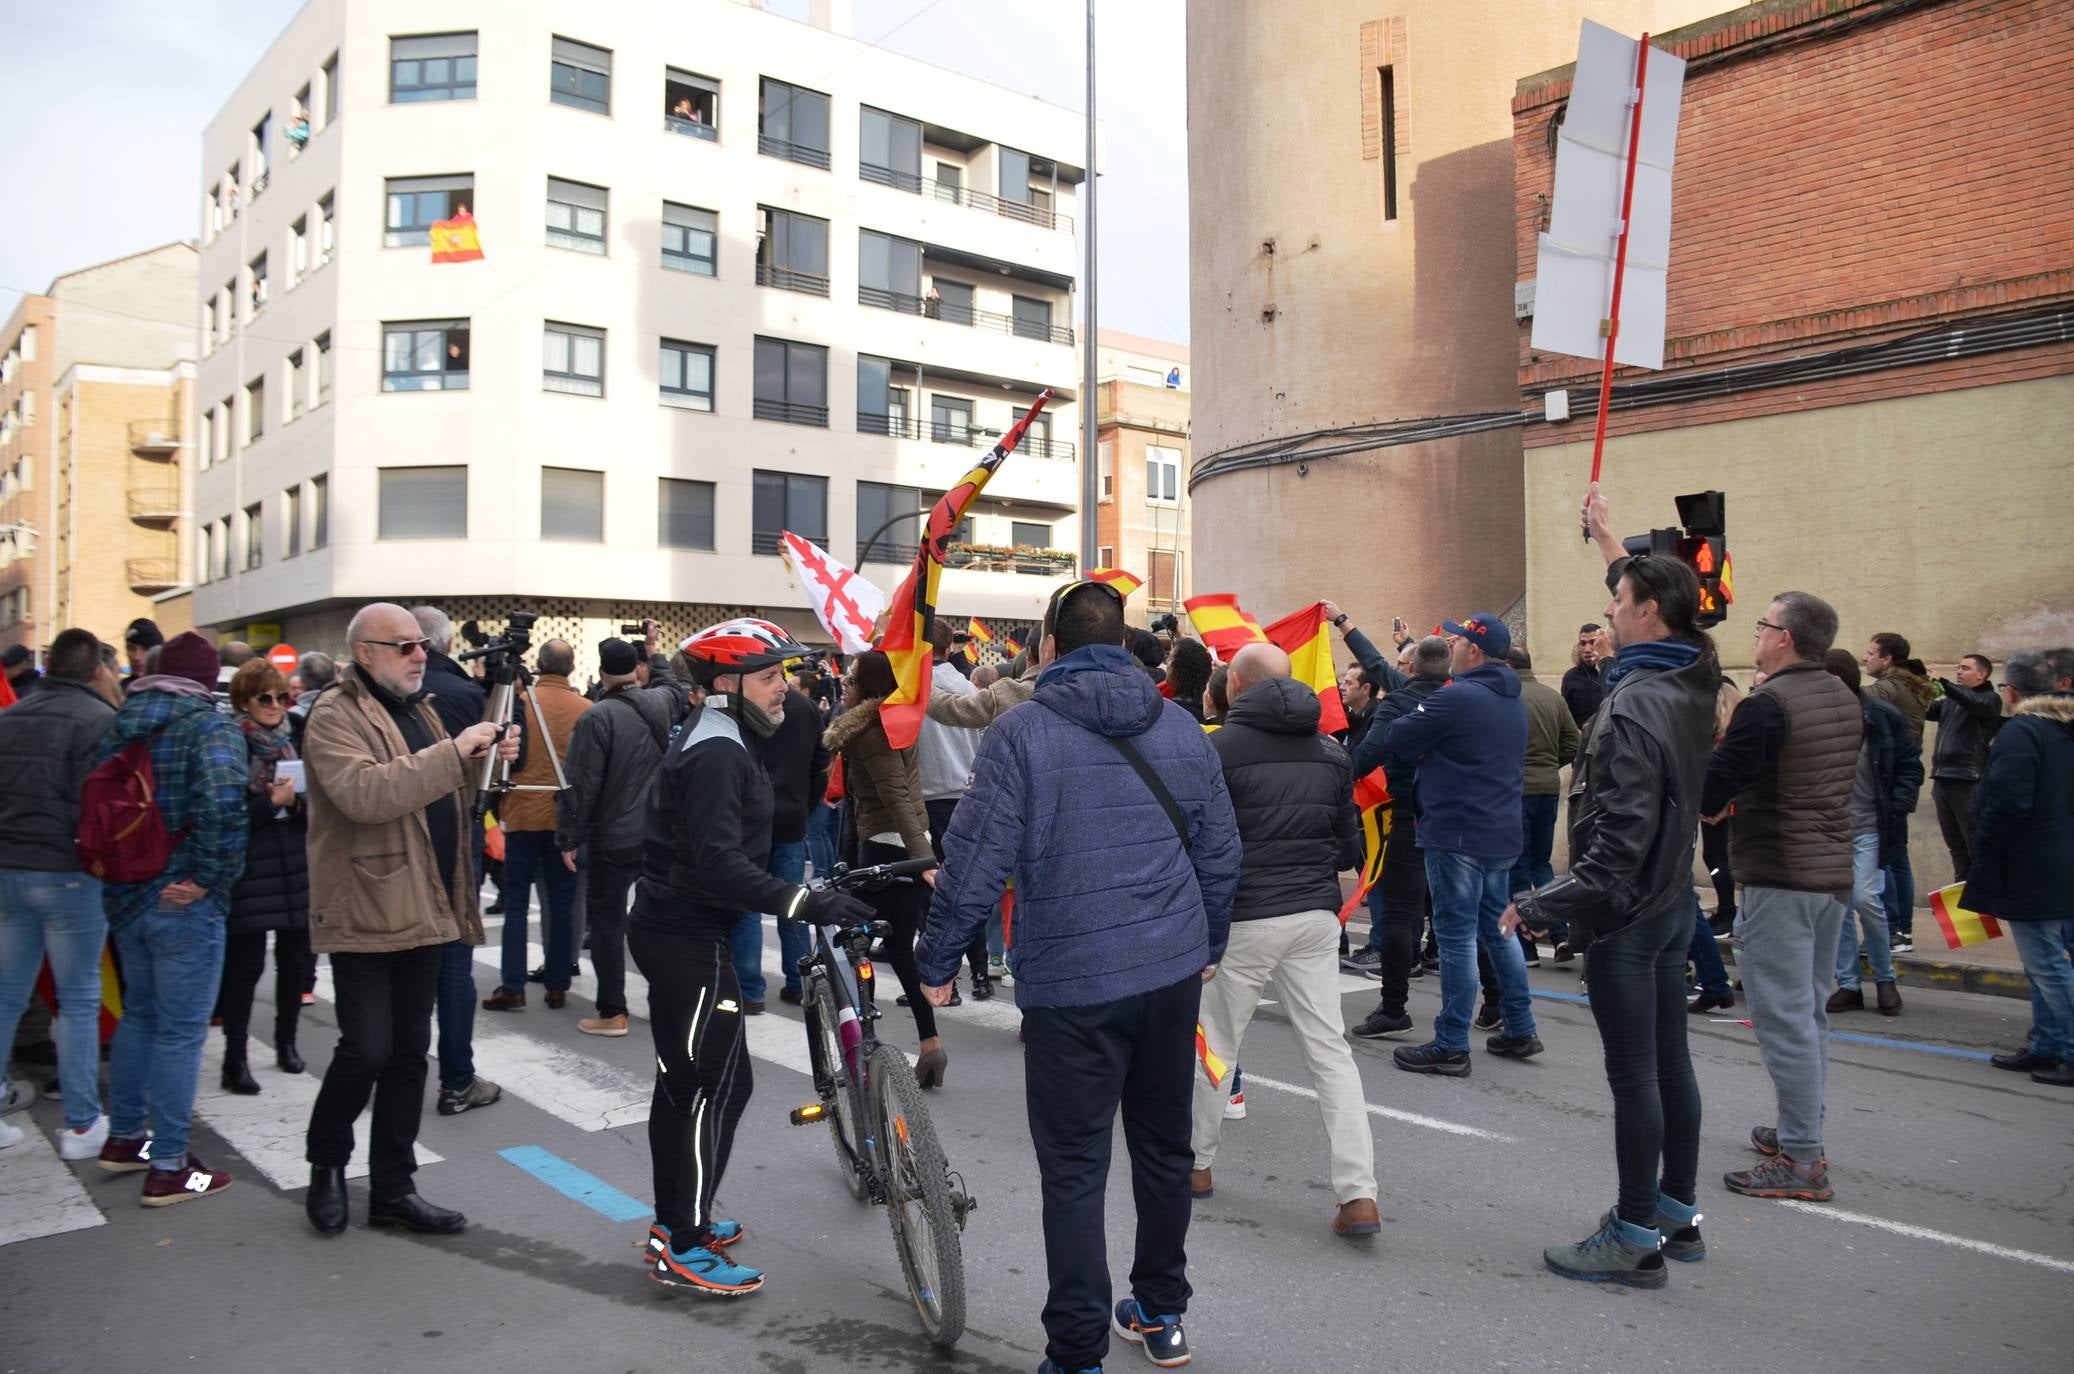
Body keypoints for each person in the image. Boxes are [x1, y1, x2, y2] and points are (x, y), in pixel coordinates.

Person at [915, 578, 1241, 1374]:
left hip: (1071, 982)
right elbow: (1222, 853)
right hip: (1167, 973)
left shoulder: (1021, 732)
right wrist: (1207, 942)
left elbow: (977, 858)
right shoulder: (1181, 727)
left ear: (1049, 647)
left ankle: (1076, 1352)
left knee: (1073, 1169)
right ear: (1125, 642)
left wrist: (934, 963)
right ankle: (1162, 1313)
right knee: (1164, 1151)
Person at [1508, 492, 1719, 1287]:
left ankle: (1634, 1233)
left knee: (1638, 1076)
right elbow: (1660, 597)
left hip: (1631, 914)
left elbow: (1614, 854)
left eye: (1620, 602)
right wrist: (1605, 536)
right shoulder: (1694, 672)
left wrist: (1533, 906)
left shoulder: (1631, 709)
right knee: (1672, 1065)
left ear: (1651, 615)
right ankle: (1677, 1213)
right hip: (1671, 904)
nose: (1609, 607)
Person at [632, 618, 872, 1295]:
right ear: (724, 683)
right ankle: (683, 1242)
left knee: (699, 1087)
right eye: (770, 676)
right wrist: (806, 902)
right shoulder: (717, 751)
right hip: (684, 933)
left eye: (784, 675)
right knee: (705, 1091)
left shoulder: (727, 736)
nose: (784, 689)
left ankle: (680, 1218)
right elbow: (718, 867)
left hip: (689, 931)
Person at [300, 603, 516, 1236]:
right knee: (364, 1050)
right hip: (367, 905)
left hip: (428, 899)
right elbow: (366, 795)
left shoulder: (417, 707)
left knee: (407, 1054)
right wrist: (457, 750)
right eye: (404, 647)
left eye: (422, 644)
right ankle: (326, 1164)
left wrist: (491, 755)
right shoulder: (333, 714)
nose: (420, 654)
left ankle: (393, 1187)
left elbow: (446, 788)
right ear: (364, 653)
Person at [1191, 642, 1378, 1237]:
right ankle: (1359, 1196)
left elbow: (1198, 840)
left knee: (1215, 1043)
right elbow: (1349, 847)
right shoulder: (1331, 751)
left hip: (1243, 916)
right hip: (1315, 915)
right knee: (1330, 1052)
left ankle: (1196, 1165)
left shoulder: (1214, 749)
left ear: (1236, 688)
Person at [1703, 591, 1860, 1202]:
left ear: (1786, 637)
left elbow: (1720, 777)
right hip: (1828, 874)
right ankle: (1801, 1131)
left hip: (1782, 874)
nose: (1758, 633)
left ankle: (1801, 1158)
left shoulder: (1770, 703)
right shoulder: (1842, 694)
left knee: (1784, 1019)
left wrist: (1702, 799)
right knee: (1809, 1013)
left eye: (1764, 624)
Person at [89, 631, 249, 1204]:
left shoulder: (117, 720)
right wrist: (209, 878)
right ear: (208, 681)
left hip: (125, 893)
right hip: (183, 897)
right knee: (182, 1034)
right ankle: (173, 1166)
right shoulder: (209, 725)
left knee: (140, 1017)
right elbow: (226, 803)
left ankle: (126, 1139)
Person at [1381, 611, 1538, 1075]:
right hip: (1499, 830)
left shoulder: (1460, 697)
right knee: (1497, 929)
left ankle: (1451, 1041)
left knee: (1454, 938)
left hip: (1457, 831)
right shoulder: (1513, 698)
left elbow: (1398, 737)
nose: (1450, 646)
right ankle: (1520, 1025)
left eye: (1457, 642)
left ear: (1474, 651)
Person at [0, 629, 116, 1157]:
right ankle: (81, 1123)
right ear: (95, 669)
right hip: (70, 873)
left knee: (6, 996)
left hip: (10, 868)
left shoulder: (10, 717)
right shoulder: (98, 722)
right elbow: (99, 811)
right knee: (77, 1001)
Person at [822, 651, 949, 1077]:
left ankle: (863, 1048)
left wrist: (923, 859)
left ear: (869, 685)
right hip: (905, 844)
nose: (844, 683)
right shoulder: (895, 720)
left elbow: (895, 796)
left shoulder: (870, 733)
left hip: (886, 848)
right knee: (897, 948)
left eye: (852, 677)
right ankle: (929, 1043)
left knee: (859, 942)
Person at [410, 606, 502, 1116]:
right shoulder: (467, 695)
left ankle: (418, 1073)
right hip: (454, 835)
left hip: (411, 838)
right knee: (452, 962)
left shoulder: (402, 699)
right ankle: (456, 1079)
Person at [557, 638, 672, 1036]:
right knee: (661, 922)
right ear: (637, 670)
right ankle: (668, 1003)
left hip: (612, 836)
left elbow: (581, 785)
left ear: (603, 673)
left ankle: (613, 1011)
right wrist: (655, 651)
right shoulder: (660, 702)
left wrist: (568, 837)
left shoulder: (596, 717)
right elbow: (673, 682)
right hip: (657, 833)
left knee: (607, 924)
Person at [1970, 651, 2074, 1087]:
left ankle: (2065, 1047)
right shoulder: (2061, 731)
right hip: (2058, 861)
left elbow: (2007, 802)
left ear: (2011, 692)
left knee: (2047, 963)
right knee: (2046, 962)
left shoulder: (2022, 732)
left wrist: (1986, 853)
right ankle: (2048, 1044)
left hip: (2035, 863)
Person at [1348, 635, 1451, 1039]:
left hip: (1408, 814)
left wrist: (1340, 772)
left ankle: (1393, 1007)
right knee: (1467, 916)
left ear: (1411, 670)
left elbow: (1369, 754)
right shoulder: (1464, 698)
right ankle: (1500, 1005)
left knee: (1396, 912)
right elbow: (1376, 663)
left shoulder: (1399, 702)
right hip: (1458, 817)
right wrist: (1344, 624)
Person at [217, 660, 312, 1093]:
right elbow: (223, 815)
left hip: (294, 864)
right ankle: (235, 1058)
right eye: (265, 698)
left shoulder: (297, 734)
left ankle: (286, 1043)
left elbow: (320, 805)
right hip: (249, 868)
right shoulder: (229, 741)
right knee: (244, 970)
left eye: (281, 697)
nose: (276, 706)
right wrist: (267, 803)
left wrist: (293, 805)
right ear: (244, 702)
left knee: (295, 964)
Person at [483, 639, 591, 1012]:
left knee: (515, 903)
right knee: (561, 903)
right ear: (572, 669)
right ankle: (558, 983)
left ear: (540, 666)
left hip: (522, 813)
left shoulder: (518, 704)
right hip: (563, 817)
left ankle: (512, 985)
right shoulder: (587, 709)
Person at [1821, 651, 1918, 1017]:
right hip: (1829, 829)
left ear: (1842, 679)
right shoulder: (1818, 719)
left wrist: (1899, 805)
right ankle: (1848, 984)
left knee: (1866, 900)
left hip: (1870, 827)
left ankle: (1884, 978)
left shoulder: (1880, 715)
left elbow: (1910, 764)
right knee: (1836, 909)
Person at [917, 634, 990, 1000]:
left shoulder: (914, 690)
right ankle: (980, 974)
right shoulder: (969, 686)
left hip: (927, 797)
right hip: (966, 795)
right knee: (966, 886)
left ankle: (944, 979)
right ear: (950, 648)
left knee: (932, 892)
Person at [1507, 646, 1581, 968]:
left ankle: (1527, 947)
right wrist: (1551, 765)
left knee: (1518, 868)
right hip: (1548, 789)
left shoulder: (1507, 699)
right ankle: (1562, 933)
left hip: (1515, 790)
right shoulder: (1554, 698)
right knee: (1542, 864)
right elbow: (1574, 745)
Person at [1861, 632, 1932, 952]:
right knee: (1897, 858)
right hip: (1899, 778)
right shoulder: (1911, 684)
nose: (1866, 658)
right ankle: (1901, 929)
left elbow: (1860, 697)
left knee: (1887, 858)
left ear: (1887, 659)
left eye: (1870, 653)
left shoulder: (1889, 686)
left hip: (1889, 779)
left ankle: (1894, 930)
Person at [1926, 654, 2001, 883]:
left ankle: (1982, 895)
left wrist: (1944, 684)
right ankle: (1961, 896)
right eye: (1958, 667)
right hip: (1942, 778)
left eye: (1966, 668)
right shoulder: (1951, 700)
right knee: (1955, 845)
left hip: (1967, 779)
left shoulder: (1990, 699)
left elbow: (1973, 703)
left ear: (1982, 674)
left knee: (1974, 842)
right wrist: (1919, 685)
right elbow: (1928, 710)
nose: (1959, 672)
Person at [1562, 622, 1609, 727]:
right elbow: (1566, 717)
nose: (1587, 649)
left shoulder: (1613, 672)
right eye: (1583, 644)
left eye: (1593, 642)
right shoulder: (1570, 677)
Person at [1167, 638, 1214, 727]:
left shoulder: (1166, 712)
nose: (1167, 662)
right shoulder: (1215, 713)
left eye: (1170, 658)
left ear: (1179, 668)